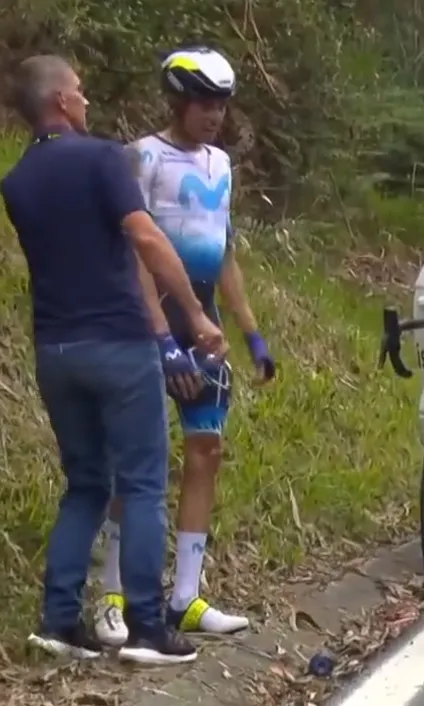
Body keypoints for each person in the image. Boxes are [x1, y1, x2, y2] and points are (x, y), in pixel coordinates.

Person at [1, 55, 226, 664]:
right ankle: (149, 628)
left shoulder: (16, 180)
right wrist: (195, 312)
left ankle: (57, 621)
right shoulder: (102, 157)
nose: (87, 100)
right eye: (79, 91)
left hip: (55, 348)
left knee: (85, 486)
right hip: (119, 344)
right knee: (145, 484)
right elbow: (145, 237)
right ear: (60, 103)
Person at [92, 46, 275, 645]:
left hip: (205, 321)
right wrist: (163, 336)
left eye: (221, 103)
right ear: (177, 101)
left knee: (206, 451)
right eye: (202, 102)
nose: (213, 114)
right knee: (137, 461)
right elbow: (134, 249)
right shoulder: (141, 156)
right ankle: (113, 593)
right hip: (150, 323)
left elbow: (222, 252)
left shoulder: (222, 163)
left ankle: (186, 596)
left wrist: (250, 332)